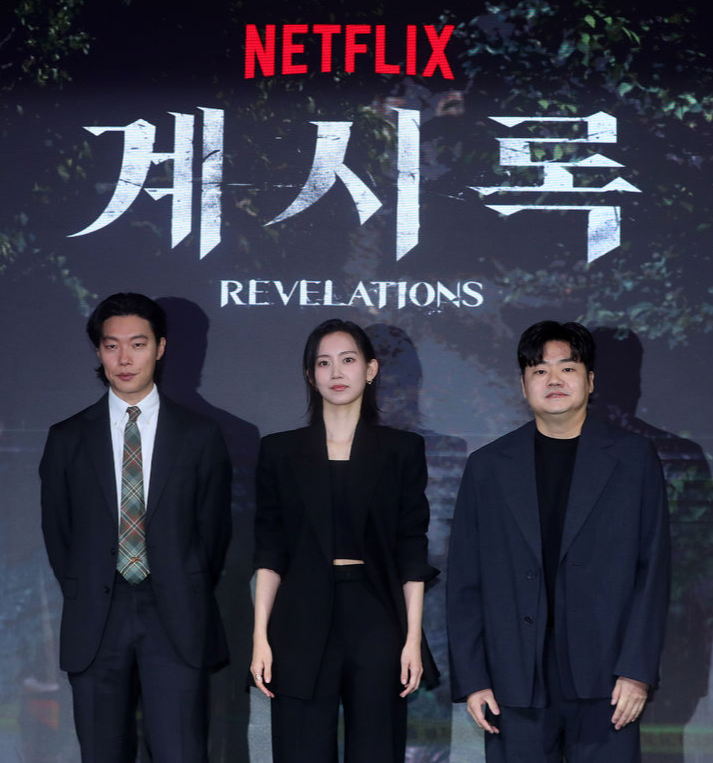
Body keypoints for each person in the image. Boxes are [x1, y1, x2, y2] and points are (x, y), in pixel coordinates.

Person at [447, 320, 670, 763]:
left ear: (590, 380)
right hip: (514, 678)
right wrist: (473, 679)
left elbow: (653, 570)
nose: (553, 380)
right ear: (523, 384)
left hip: (608, 677)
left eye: (567, 368)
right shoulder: (488, 466)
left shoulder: (633, 458)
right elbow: (465, 580)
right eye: (539, 370)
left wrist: (636, 670)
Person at [40, 292, 232, 763]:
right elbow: (58, 533)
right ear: (99, 351)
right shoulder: (67, 437)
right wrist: (87, 586)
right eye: (112, 346)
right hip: (95, 617)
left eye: (138, 344)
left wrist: (179, 580)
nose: (124, 359)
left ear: (160, 348)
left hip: (176, 615)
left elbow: (213, 532)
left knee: (181, 752)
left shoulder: (200, 435)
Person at [251, 318, 438, 763]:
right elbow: (270, 551)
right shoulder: (279, 451)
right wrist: (260, 636)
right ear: (310, 375)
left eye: (348, 360)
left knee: (377, 748)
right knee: (299, 750)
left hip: (375, 616)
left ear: (370, 369)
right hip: (299, 616)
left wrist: (412, 638)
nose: (336, 372)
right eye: (324, 363)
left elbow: (411, 549)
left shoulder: (402, 450)